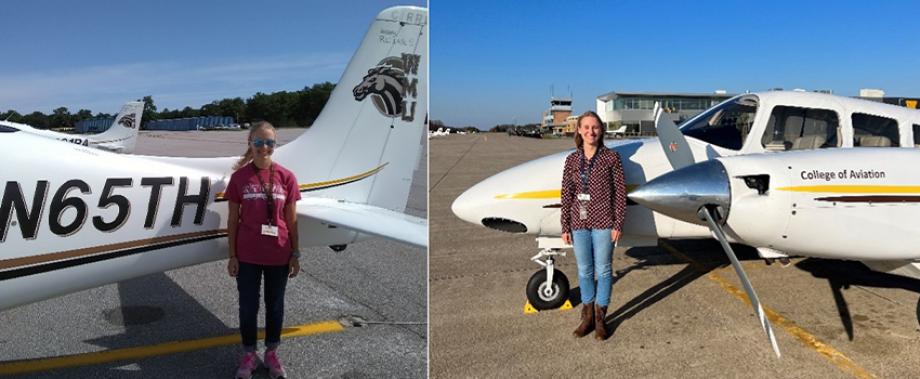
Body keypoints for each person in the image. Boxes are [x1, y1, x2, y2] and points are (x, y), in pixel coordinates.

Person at [225, 121, 301, 379]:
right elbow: (232, 219)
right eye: (258, 142)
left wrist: (296, 252)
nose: (264, 147)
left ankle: (271, 353)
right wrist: (232, 255)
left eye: (269, 142)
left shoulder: (287, 177)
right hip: (247, 255)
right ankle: (248, 353)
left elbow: (291, 220)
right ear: (250, 144)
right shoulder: (239, 178)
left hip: (279, 254)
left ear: (274, 145)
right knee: (248, 306)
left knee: (275, 306)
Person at [560, 111, 626, 341]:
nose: (591, 131)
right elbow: (566, 194)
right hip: (579, 222)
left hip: (604, 221)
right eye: (586, 127)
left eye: (595, 127)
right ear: (578, 130)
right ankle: (586, 317)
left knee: (604, 269)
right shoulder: (571, 160)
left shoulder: (611, 158)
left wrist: (618, 223)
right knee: (585, 270)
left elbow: (620, 193)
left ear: (601, 131)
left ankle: (600, 318)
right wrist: (565, 226)